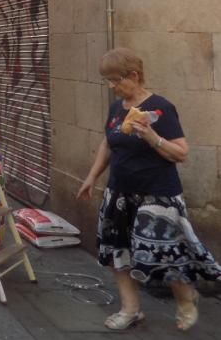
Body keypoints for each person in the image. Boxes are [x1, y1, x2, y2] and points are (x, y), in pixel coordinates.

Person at [77, 48, 219, 332]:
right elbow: (109, 143)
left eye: (115, 80)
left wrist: (151, 136)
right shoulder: (117, 108)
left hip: (158, 194)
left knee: (165, 252)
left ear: (134, 75)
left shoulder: (161, 108)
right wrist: (92, 177)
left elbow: (181, 153)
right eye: (107, 80)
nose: (111, 86)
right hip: (119, 192)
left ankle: (186, 297)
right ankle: (131, 309)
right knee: (119, 252)